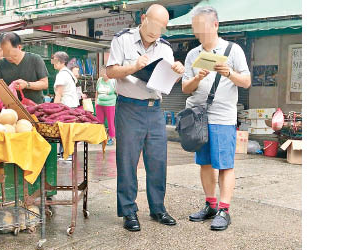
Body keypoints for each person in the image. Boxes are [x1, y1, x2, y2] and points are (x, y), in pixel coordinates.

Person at [106, 4, 185, 232]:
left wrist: (177, 72)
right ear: (143, 18)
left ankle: (158, 208)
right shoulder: (123, 39)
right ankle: (129, 211)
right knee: (127, 161)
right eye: (153, 25)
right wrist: (132, 67)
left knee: (158, 160)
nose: (156, 32)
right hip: (129, 108)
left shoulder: (165, 47)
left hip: (155, 109)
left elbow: (168, 79)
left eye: (162, 28)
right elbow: (110, 72)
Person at [182, 6, 251, 231]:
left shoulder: (233, 50)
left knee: (224, 165)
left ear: (215, 25)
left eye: (201, 27)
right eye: (195, 29)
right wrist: (197, 77)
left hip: (222, 117)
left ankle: (224, 209)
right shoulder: (193, 54)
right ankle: (210, 204)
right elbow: (185, 88)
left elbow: (247, 82)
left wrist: (228, 73)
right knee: (205, 162)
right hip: (198, 116)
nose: (198, 33)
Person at [0, 32, 49, 104]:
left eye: (9, 53)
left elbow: (45, 84)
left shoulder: (35, 59)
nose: (7, 57)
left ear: (19, 47)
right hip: (12, 109)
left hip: (35, 107)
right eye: (4, 53)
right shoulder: (1, 63)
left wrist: (27, 84)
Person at [95, 65, 117, 146]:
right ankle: (101, 137)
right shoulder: (99, 80)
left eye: (105, 73)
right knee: (100, 122)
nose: (104, 74)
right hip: (100, 105)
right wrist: (96, 102)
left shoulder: (113, 81)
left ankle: (111, 138)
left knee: (110, 122)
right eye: (102, 73)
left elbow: (117, 93)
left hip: (110, 105)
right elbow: (97, 92)